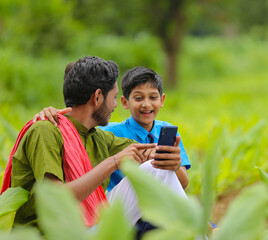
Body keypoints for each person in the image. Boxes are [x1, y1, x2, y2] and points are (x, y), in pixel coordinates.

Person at [1, 56, 184, 235]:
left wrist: (170, 158)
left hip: (90, 224)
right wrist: (113, 162)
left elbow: (148, 155)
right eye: (114, 97)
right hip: (54, 232)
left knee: (153, 168)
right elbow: (57, 200)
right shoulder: (45, 131)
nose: (114, 106)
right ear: (97, 97)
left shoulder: (98, 138)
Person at [35, 67, 191, 193]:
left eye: (153, 97)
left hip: (157, 203)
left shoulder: (168, 132)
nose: (146, 104)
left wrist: (175, 165)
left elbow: (182, 184)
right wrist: (57, 114)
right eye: (138, 98)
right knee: (150, 168)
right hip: (121, 205)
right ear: (125, 102)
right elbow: (81, 123)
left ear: (162, 100)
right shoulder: (109, 132)